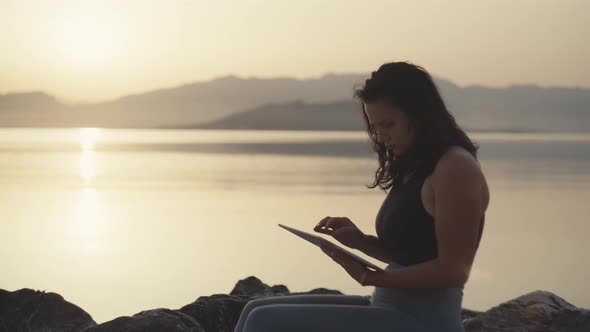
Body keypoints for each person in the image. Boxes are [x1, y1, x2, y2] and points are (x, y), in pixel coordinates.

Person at [234, 61, 490, 332]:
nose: (382, 136)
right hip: (388, 307)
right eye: (376, 127)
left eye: (389, 124)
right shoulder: (416, 166)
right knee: (254, 308)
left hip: (424, 322)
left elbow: (454, 271)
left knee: (263, 322)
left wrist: (372, 277)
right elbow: (413, 256)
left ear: (419, 115)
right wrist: (360, 242)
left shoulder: (455, 168)